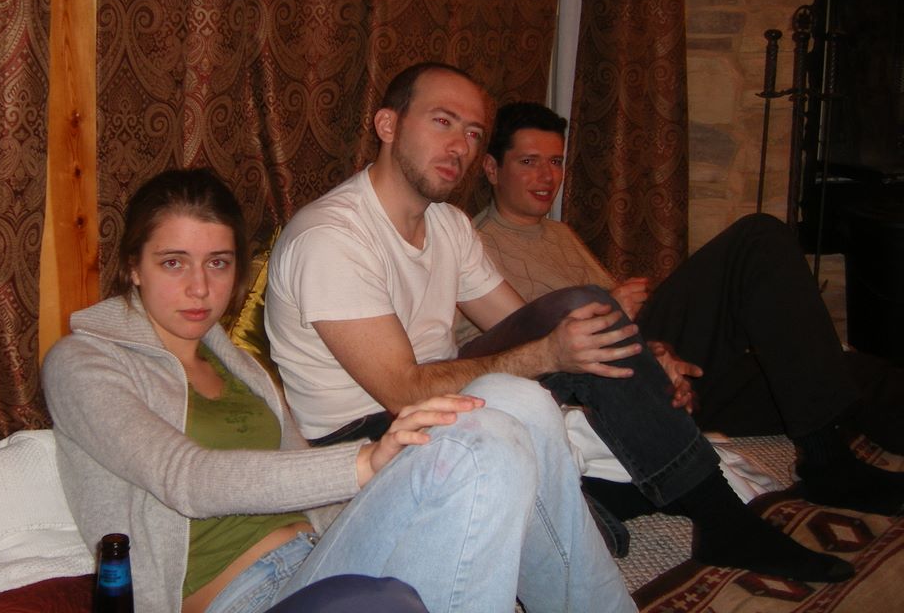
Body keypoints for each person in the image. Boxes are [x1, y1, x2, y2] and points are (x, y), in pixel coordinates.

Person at [265, 61, 855, 584]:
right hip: (370, 437)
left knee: (581, 315)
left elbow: (528, 320)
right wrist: (550, 354)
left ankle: (687, 512)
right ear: (388, 124)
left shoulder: (448, 225)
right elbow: (402, 389)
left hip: (442, 403)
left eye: (472, 133)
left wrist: (640, 354)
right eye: (442, 122)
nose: (460, 146)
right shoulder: (332, 238)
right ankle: (699, 519)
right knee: (575, 366)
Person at [42, 167, 634, 613]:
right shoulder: (84, 361)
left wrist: (397, 497)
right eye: (174, 263)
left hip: (321, 558)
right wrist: (367, 462)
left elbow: (309, 488)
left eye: (218, 263)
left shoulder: (240, 368)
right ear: (133, 267)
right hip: (248, 599)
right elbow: (186, 479)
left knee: (517, 400)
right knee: (471, 456)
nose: (200, 287)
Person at [456, 101, 904, 519]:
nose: (546, 176)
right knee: (758, 239)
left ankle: (832, 442)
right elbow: (504, 356)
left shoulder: (560, 234)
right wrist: (613, 312)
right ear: (493, 168)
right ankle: (828, 464)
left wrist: (654, 344)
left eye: (555, 162)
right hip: (608, 386)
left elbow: (631, 311)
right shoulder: (474, 247)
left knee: (836, 370)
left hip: (663, 372)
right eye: (528, 161)